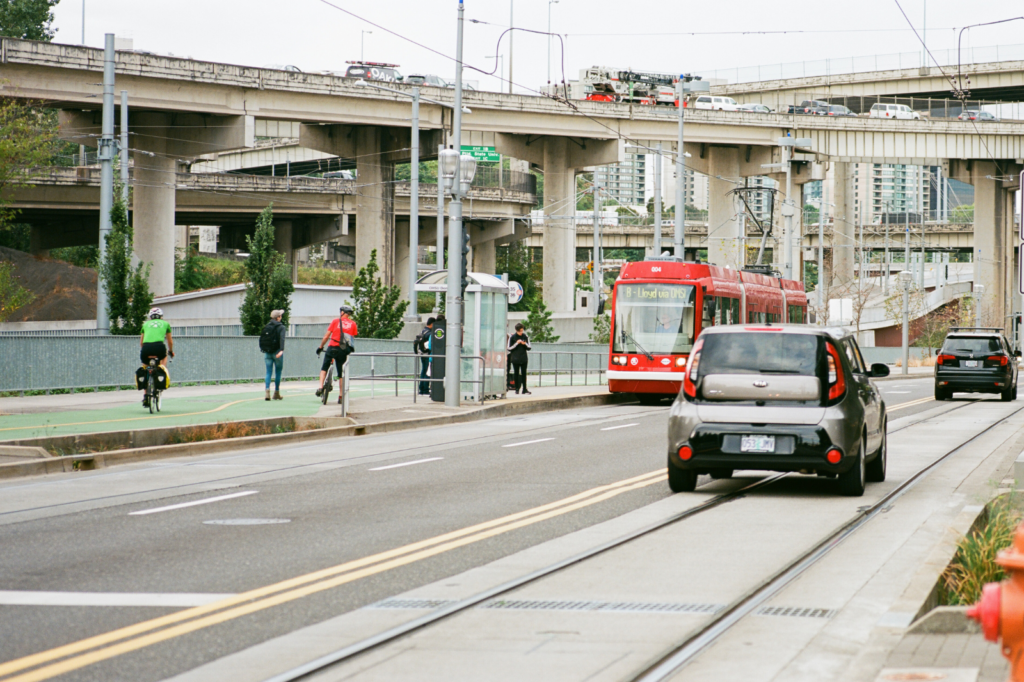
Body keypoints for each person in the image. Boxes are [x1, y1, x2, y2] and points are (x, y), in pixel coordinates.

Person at [316, 305, 358, 404]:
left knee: (324, 369)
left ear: (342, 312)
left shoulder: (335, 321)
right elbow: (352, 339)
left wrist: (321, 347)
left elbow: (326, 336)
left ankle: (320, 387)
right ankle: (341, 396)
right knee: (341, 374)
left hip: (332, 347)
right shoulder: (353, 324)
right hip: (343, 350)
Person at [139, 307, 174, 408]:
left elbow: (141, 342)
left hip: (146, 348)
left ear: (150, 316)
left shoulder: (145, 324)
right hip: (159, 347)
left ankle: (146, 395)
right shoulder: (166, 324)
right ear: (161, 316)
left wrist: (145, 351)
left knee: (145, 367)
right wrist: (171, 351)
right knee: (164, 356)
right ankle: (161, 371)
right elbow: (169, 341)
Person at [259, 310, 286, 401]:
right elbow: (282, 339)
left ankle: (267, 392)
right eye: (280, 315)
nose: (281, 317)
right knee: (278, 372)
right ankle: (276, 393)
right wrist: (281, 350)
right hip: (277, 352)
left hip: (267, 352)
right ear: (278, 317)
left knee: (268, 372)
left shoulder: (267, 326)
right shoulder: (281, 327)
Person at [507, 322, 532, 395]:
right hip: (515, 358)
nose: (521, 332)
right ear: (516, 330)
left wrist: (525, 344)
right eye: (519, 331)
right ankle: (517, 389)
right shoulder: (512, 337)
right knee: (516, 373)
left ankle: (524, 389)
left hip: (523, 358)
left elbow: (529, 347)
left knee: (524, 373)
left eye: (522, 330)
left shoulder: (525, 336)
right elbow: (509, 348)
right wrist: (517, 343)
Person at [414, 317, 435, 395]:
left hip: (422, 353)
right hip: (427, 354)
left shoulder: (423, 331)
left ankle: (421, 388)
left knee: (423, 371)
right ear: (432, 324)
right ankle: (425, 389)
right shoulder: (429, 333)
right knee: (427, 372)